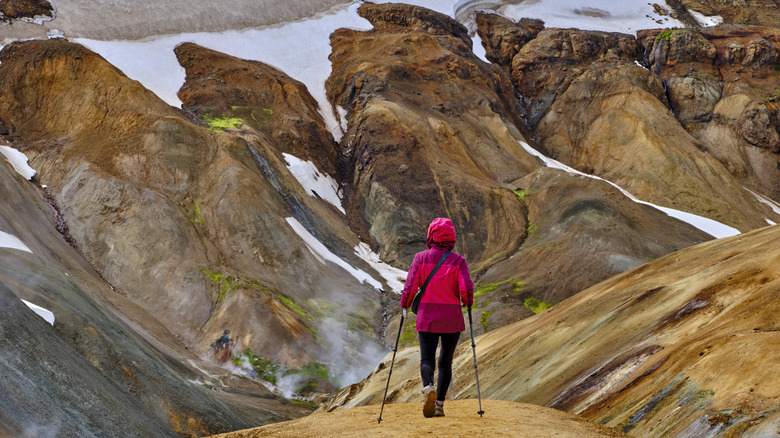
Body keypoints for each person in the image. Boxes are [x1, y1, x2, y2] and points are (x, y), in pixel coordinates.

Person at [400, 217, 474, 418]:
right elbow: (466, 288)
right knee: (445, 362)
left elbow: (410, 286)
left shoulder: (420, 258)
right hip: (452, 318)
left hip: (427, 317)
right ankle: (439, 404)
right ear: (452, 238)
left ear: (431, 235)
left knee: (427, 359)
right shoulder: (459, 261)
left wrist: (405, 304)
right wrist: (468, 302)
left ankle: (427, 388)